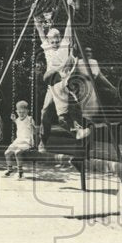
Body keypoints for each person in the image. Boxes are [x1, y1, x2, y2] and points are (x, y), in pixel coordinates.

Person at [34, 10, 88, 150]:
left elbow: (69, 27)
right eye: (53, 40)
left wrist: (71, 11)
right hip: (53, 84)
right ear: (49, 40)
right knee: (45, 111)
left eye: (57, 39)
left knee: (65, 115)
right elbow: (40, 29)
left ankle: (79, 133)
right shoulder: (47, 47)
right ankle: (43, 142)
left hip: (65, 82)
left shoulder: (65, 44)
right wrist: (34, 15)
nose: (56, 42)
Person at [4, 100, 37, 179]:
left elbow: (35, 132)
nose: (21, 114)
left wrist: (33, 127)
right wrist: (14, 120)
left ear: (27, 111)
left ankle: (20, 173)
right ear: (17, 112)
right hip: (18, 141)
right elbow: (19, 123)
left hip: (27, 141)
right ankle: (10, 170)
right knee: (7, 153)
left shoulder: (30, 119)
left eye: (23, 112)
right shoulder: (18, 119)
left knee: (17, 152)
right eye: (19, 112)